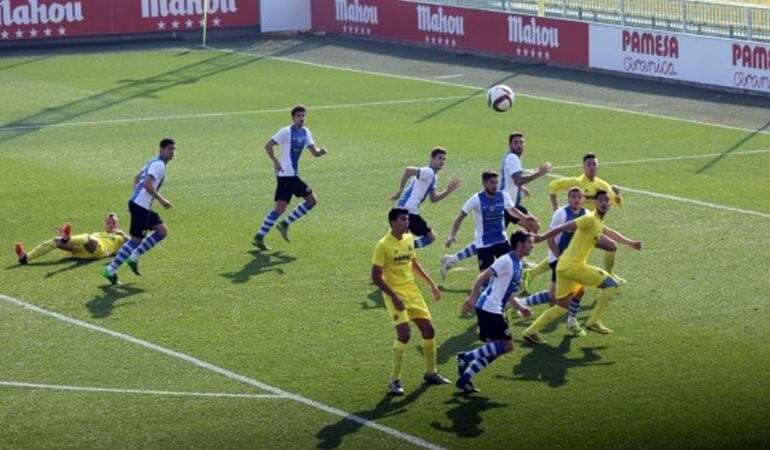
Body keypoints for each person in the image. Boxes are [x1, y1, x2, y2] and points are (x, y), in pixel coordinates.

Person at [521, 190, 642, 344]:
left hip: (563, 267)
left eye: (607, 200)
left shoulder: (598, 222)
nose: (604, 203)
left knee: (562, 307)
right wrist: (542, 237)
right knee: (611, 284)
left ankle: (530, 331)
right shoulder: (590, 219)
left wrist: (631, 243)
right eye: (600, 200)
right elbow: (565, 226)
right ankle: (594, 321)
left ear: (610, 203)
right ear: (594, 203)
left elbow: (610, 232)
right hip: (573, 266)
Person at [371, 207, 450, 395]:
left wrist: (431, 283)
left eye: (407, 220)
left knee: (429, 330)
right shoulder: (383, 245)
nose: (407, 223)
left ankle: (431, 372)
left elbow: (413, 263)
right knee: (404, 334)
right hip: (394, 295)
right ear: (392, 223)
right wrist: (394, 296)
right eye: (403, 220)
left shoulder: (409, 239)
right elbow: (375, 276)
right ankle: (395, 380)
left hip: (412, 292)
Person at [443, 132, 546, 276]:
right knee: (493, 237)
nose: (519, 145)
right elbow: (517, 180)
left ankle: (517, 257)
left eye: (521, 142)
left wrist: (521, 189)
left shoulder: (511, 157)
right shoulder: (512, 158)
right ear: (510, 144)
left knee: (529, 228)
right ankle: (453, 259)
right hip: (503, 206)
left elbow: (508, 178)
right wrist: (538, 174)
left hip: (510, 203)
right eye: (516, 142)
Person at [455, 230, 534, 394]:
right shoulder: (506, 261)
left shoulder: (517, 264)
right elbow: (482, 276)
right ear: (519, 244)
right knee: (508, 346)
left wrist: (520, 308)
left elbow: (507, 292)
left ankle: (465, 379)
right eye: (529, 242)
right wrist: (472, 297)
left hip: (491, 308)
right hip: (489, 308)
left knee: (494, 350)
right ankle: (466, 357)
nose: (532, 246)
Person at [533, 152, 625, 285]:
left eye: (594, 164)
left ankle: (532, 274)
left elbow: (616, 203)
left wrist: (617, 196)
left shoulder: (602, 185)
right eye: (588, 164)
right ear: (583, 167)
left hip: (592, 226)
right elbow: (553, 185)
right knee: (607, 247)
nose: (592, 167)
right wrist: (555, 208)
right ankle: (606, 277)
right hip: (579, 227)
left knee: (608, 247)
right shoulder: (577, 182)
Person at [253, 105, 328, 251]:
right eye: (298, 116)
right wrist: (275, 161)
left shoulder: (306, 132)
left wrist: (321, 152)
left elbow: (314, 152)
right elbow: (268, 145)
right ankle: (284, 224)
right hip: (288, 175)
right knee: (312, 200)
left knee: (279, 209)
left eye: (303, 116)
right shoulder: (286, 131)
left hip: (288, 175)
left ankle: (259, 236)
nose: (301, 118)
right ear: (293, 118)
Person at [102, 138, 176, 285]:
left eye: (174, 149)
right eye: (169, 148)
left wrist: (136, 196)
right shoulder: (159, 165)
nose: (172, 152)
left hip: (143, 204)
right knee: (136, 240)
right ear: (161, 149)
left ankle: (134, 256)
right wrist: (162, 201)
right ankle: (110, 269)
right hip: (141, 205)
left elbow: (137, 178)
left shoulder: (153, 161)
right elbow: (148, 184)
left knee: (161, 231)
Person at [517, 187, 588, 336]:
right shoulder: (561, 213)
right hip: (558, 259)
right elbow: (549, 238)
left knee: (570, 292)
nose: (576, 199)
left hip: (572, 261)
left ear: (583, 199)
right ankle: (570, 322)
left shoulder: (586, 215)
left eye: (578, 197)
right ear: (568, 199)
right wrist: (560, 257)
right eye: (573, 197)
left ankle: (521, 303)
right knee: (568, 295)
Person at [440, 171, 537, 279]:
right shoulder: (476, 199)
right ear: (484, 183)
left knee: (512, 270)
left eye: (496, 183)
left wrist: (525, 217)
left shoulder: (503, 196)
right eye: (491, 183)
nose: (495, 186)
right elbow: (460, 218)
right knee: (485, 280)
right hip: (484, 244)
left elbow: (512, 210)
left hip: (501, 241)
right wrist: (452, 236)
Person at [389, 147, 460, 249]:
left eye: (444, 159)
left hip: (408, 209)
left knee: (403, 239)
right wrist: (399, 190)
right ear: (432, 159)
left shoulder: (433, 177)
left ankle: (404, 249)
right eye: (440, 158)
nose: (442, 161)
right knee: (430, 237)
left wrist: (448, 191)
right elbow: (408, 170)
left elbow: (433, 198)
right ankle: (405, 249)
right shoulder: (428, 172)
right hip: (408, 209)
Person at [15, 214, 128, 264]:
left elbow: (136, 244)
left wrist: (123, 235)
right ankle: (25, 258)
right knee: (56, 240)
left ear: (117, 224)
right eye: (108, 222)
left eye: (113, 222)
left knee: (88, 237)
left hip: (99, 250)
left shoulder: (119, 237)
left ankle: (68, 237)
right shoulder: (99, 233)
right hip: (83, 250)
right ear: (105, 224)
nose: (111, 224)